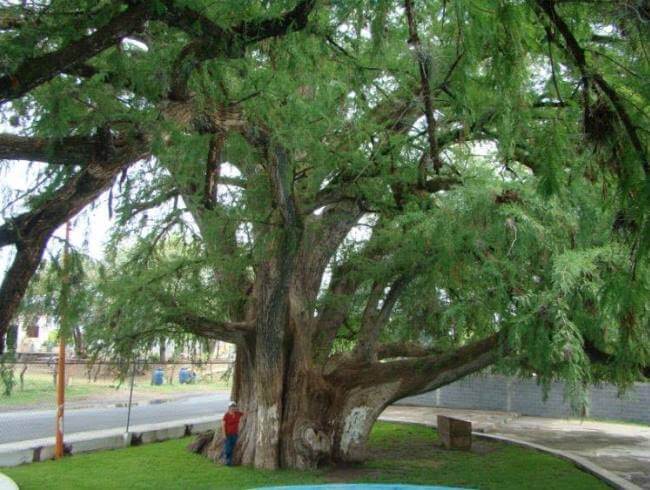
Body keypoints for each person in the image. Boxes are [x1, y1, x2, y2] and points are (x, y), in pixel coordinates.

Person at [221, 401, 244, 466]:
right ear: (229, 408)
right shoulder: (226, 415)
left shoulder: (237, 413)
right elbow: (223, 425)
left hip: (235, 434)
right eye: (231, 407)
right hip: (228, 435)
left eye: (234, 406)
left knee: (232, 448)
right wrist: (224, 434)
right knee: (228, 449)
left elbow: (246, 414)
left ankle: (229, 461)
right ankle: (227, 461)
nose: (233, 408)